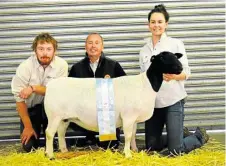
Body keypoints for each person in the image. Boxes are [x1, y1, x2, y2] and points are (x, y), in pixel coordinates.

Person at [139, 4, 209, 155]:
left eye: (160, 22)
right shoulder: (144, 50)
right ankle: (178, 135)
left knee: (176, 150)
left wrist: (174, 77)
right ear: (148, 24)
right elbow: (143, 78)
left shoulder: (175, 44)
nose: (156, 25)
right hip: (153, 104)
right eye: (153, 22)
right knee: (151, 147)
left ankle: (198, 136)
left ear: (166, 24)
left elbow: (187, 72)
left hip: (173, 101)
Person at [11, 32, 68, 152]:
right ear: (35, 51)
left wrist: (34, 88)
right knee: (29, 147)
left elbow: (58, 92)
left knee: (56, 147)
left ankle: (55, 138)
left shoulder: (62, 65)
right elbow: (19, 100)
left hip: (53, 109)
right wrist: (27, 126)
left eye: (49, 49)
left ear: (54, 51)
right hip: (32, 109)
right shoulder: (25, 67)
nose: (45, 53)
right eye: (41, 49)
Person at [69, 32, 126, 149]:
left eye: (97, 43)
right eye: (90, 43)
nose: (93, 46)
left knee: (110, 148)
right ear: (85, 47)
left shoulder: (114, 65)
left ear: (102, 46)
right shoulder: (76, 68)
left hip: (108, 118)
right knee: (85, 148)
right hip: (84, 117)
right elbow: (70, 93)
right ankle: (88, 136)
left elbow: (125, 88)